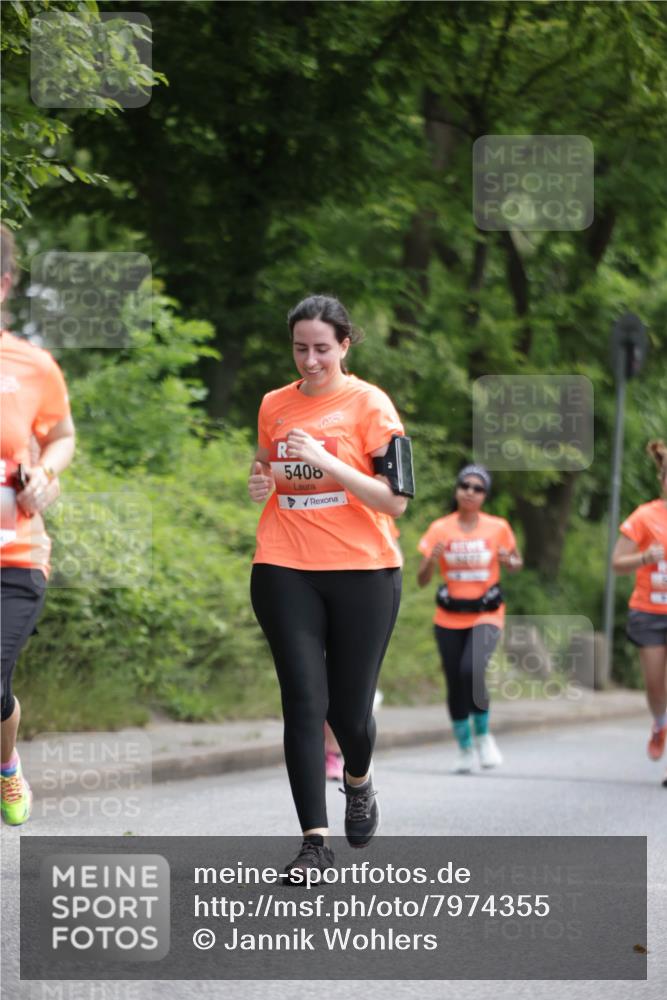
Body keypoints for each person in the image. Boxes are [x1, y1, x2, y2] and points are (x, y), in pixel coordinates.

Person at [248, 294, 413, 880]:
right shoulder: (274, 404)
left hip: (364, 570)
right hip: (284, 563)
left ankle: (359, 780)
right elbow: (268, 466)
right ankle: (313, 844)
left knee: (348, 711)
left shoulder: (371, 405)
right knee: (303, 700)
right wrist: (261, 480)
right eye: (300, 348)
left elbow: (394, 501)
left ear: (345, 345)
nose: (310, 360)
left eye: (322, 348)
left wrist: (328, 460)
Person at [1, 223, 75, 825]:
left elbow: (62, 435)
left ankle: (5, 769)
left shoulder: (32, 365)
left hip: (15, 554)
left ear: (3, 284)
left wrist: (45, 474)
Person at [416, 464, 522, 773]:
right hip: (449, 616)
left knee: (471, 669)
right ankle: (464, 747)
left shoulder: (497, 527)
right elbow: (422, 579)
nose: (470, 492)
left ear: (485, 495)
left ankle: (484, 736)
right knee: (454, 681)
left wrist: (509, 560)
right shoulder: (440, 528)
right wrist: (431, 561)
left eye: (478, 488)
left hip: (487, 614)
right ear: (457, 490)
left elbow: (516, 562)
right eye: (465, 485)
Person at [612, 440, 667, 786]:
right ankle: (660, 723)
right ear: (662, 478)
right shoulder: (645, 517)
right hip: (649, 612)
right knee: (654, 686)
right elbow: (618, 564)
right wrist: (647, 557)